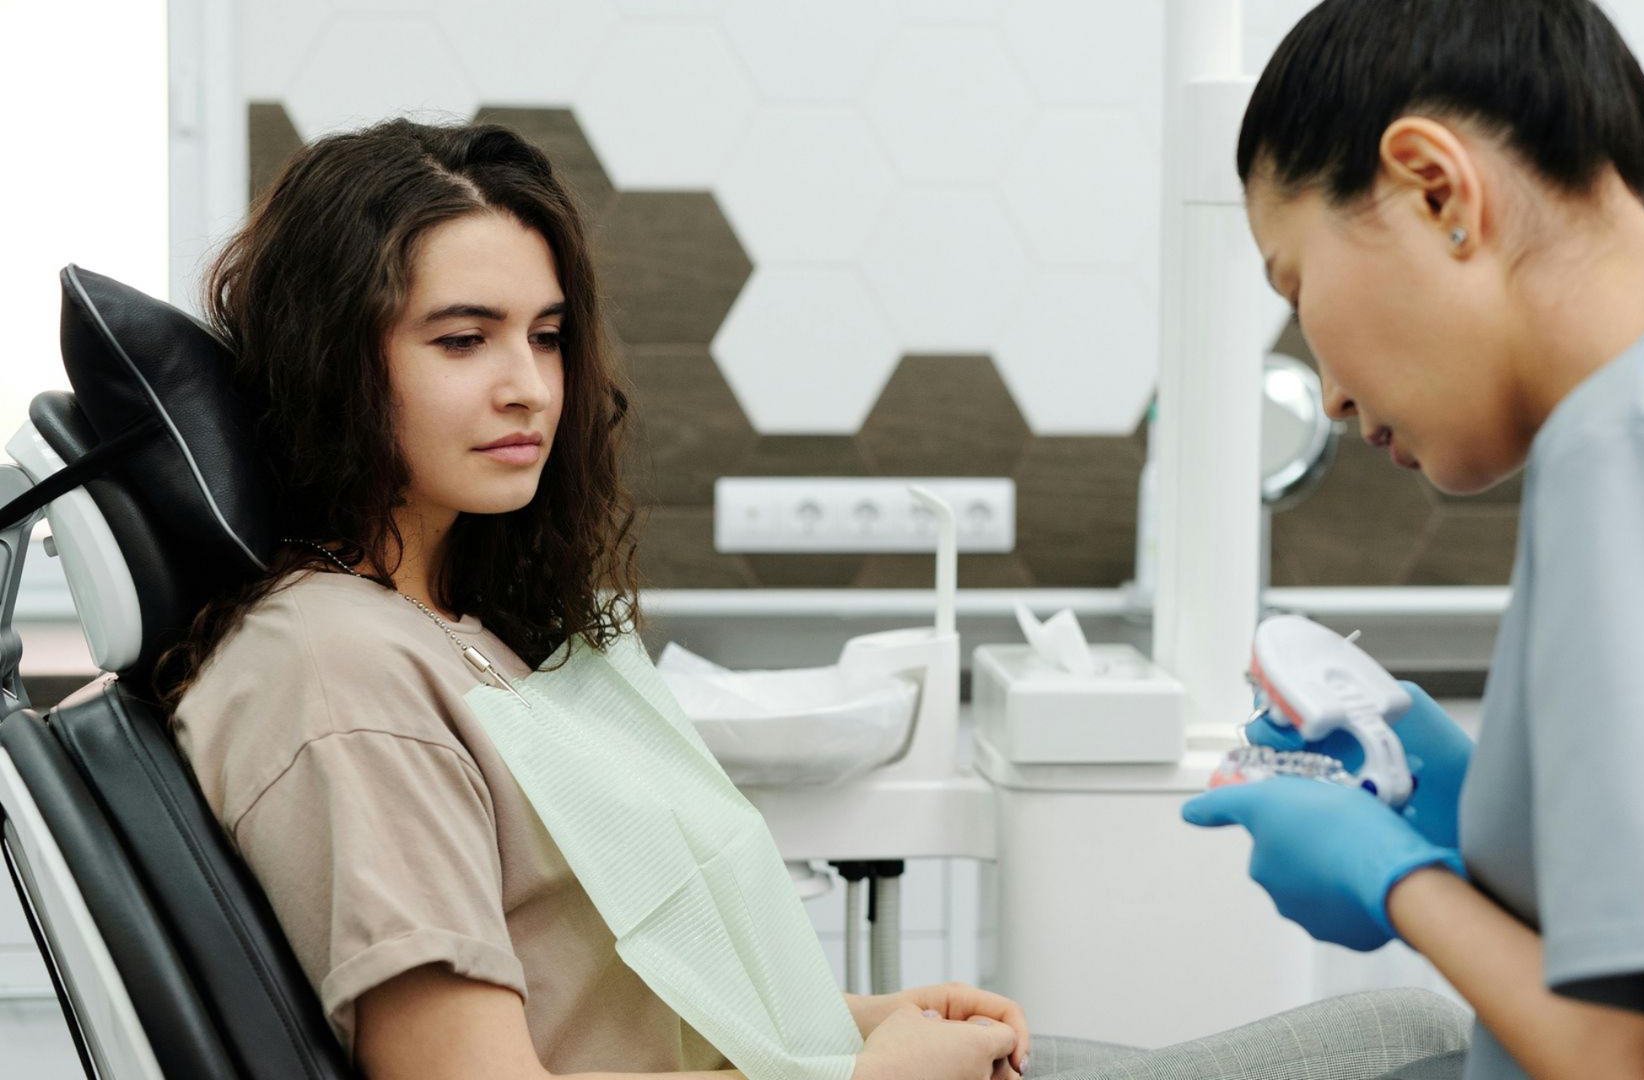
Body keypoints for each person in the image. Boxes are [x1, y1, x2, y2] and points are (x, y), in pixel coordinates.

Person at [163, 118, 1468, 1080]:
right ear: (335, 360)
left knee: (1420, 1036)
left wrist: (859, 1018)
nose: (528, 388)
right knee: (1416, 1044)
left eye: (546, 335)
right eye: (463, 339)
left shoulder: (454, 631)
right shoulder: (336, 673)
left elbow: (620, 1014)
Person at [1182, 1, 1644, 1079]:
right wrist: (1493, 819)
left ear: (1436, 188)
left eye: (1297, 284)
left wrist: (1406, 886)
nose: (1330, 394)